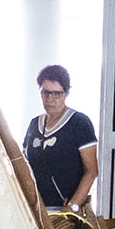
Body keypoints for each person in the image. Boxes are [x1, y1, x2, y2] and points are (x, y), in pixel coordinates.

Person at [22, 65, 99, 213]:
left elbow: (91, 171)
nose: (50, 99)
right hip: (35, 211)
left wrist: (72, 207)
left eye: (57, 93)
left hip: (65, 212)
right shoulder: (34, 124)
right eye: (45, 92)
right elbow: (25, 166)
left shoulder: (79, 123)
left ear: (66, 93)